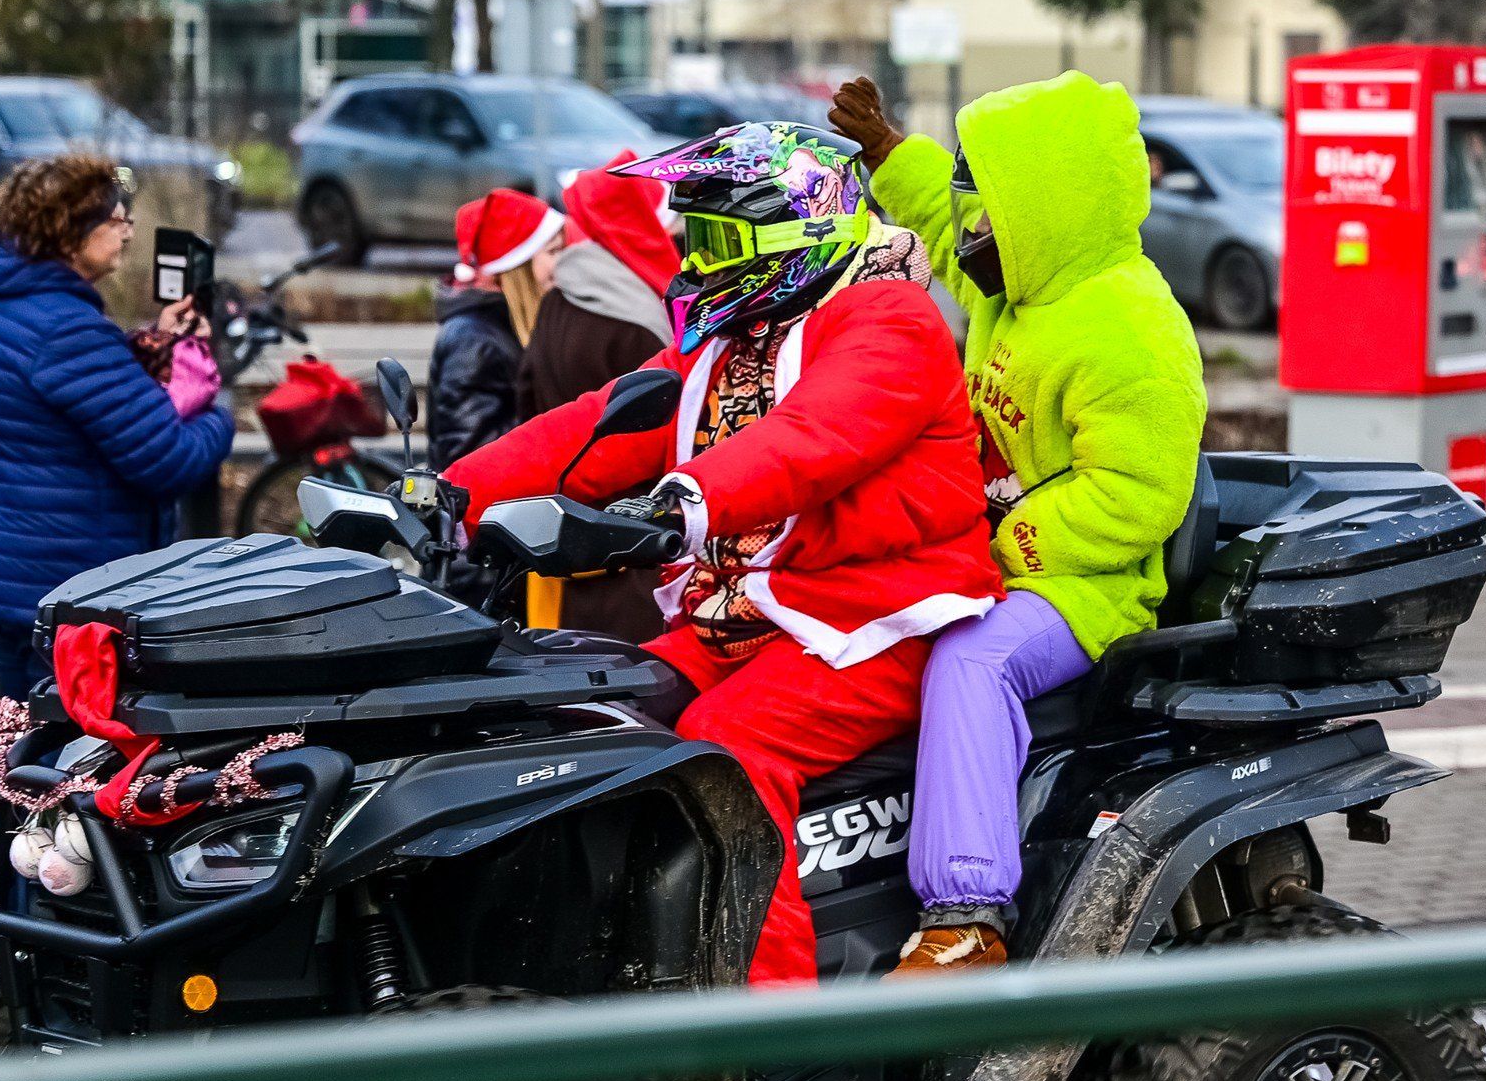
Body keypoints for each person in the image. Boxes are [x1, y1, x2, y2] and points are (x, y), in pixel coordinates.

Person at [445, 122, 1002, 986]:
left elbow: (813, 437)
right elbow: (599, 425)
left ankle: (770, 1045)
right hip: (747, 619)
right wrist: (450, 495)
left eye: (719, 239)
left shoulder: (890, 320)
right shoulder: (735, 333)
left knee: (726, 747)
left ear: (797, 232)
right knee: (584, 708)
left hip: (873, 623)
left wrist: (682, 505)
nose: (698, 260)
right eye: (692, 236)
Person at [830, 72, 1207, 975]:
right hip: (991, 550)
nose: (970, 234)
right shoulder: (1025, 284)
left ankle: (967, 916)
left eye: (987, 212)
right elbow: (933, 217)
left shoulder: (1126, 332)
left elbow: (1134, 500)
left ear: (1043, 208)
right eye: (976, 208)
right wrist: (887, 151)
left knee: (972, 660)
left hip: (1087, 586)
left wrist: (996, 547)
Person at [0, 156, 234, 700]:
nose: (128, 230)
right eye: (116, 218)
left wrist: (140, 348)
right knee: (66, 765)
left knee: (19, 745)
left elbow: (50, 401)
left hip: (10, 570)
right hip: (73, 591)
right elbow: (171, 460)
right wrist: (217, 411)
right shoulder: (65, 328)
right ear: (71, 232)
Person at [513, 154, 678, 641]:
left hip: (557, 536)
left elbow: (525, 409)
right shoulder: (640, 327)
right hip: (628, 554)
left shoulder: (555, 304)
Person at [427, 189, 564, 472]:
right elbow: (467, 455)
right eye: (552, 252)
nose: (562, 263)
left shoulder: (505, 326)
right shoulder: (475, 342)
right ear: (518, 268)